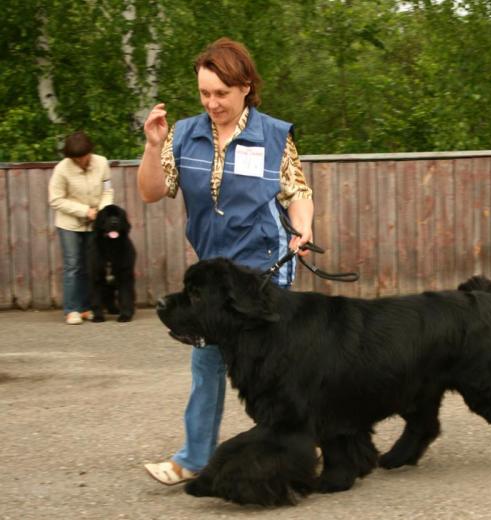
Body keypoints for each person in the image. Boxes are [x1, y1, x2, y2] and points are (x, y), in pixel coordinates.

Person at [138, 37, 314, 485]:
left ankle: (302, 442)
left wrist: (303, 227)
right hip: (213, 277)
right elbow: (151, 191)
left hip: (263, 270)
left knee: (275, 365)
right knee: (207, 363)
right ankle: (194, 457)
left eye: (222, 94)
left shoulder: (274, 134)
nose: (212, 103)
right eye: (204, 93)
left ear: (246, 88)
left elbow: (297, 192)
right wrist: (153, 146)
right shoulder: (184, 134)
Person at [49, 131, 114, 325]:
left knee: (90, 266)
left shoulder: (102, 163)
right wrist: (85, 211)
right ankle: (71, 309)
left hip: (95, 224)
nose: (80, 161)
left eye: (83, 156)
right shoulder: (61, 169)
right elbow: (56, 200)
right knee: (73, 265)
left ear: (90, 152)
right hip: (69, 224)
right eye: (75, 158)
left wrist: (102, 213)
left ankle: (86, 308)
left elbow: (107, 190)